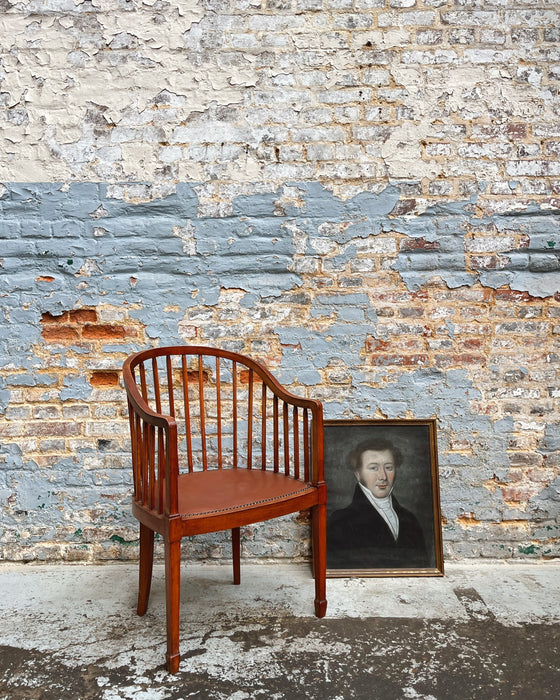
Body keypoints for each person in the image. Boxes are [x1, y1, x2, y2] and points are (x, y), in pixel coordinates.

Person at [327, 437, 428, 569]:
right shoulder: (341, 521)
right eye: (374, 468)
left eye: (389, 467)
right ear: (358, 474)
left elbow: (422, 566)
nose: (383, 476)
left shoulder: (410, 519)